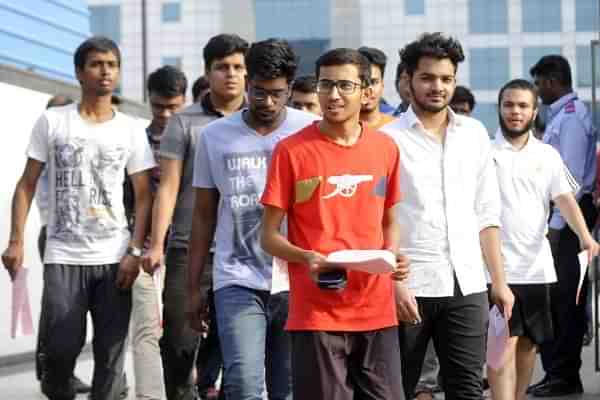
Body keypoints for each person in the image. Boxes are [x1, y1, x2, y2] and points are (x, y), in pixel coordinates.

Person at [1, 36, 155, 400]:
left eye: (112, 65)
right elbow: (25, 185)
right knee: (59, 348)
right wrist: (16, 240)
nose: (105, 71)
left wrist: (134, 250)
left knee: (111, 356)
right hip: (63, 255)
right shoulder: (53, 122)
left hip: (114, 257)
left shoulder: (131, 128)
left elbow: (145, 195)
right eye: (96, 64)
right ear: (79, 72)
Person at [261, 47, 409, 400]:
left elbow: (390, 221)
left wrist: (393, 256)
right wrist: (306, 257)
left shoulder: (386, 148)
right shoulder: (291, 151)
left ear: (366, 91)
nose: (333, 95)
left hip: (376, 309)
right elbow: (267, 237)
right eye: (326, 85)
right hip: (316, 313)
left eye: (345, 85)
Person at [380, 32, 514, 400]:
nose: (437, 87)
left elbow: (487, 213)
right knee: (398, 389)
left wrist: (498, 282)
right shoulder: (387, 140)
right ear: (408, 80)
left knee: (467, 389)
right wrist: (394, 283)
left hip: (468, 282)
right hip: (410, 285)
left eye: (446, 78)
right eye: (427, 78)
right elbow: (377, 219)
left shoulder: (473, 134)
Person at [186, 38, 315, 400]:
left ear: (290, 88)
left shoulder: (312, 131)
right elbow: (203, 216)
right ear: (247, 83)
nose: (268, 103)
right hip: (236, 277)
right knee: (243, 384)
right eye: (259, 92)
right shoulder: (215, 137)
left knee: (287, 389)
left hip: (297, 279)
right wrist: (194, 287)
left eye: (277, 93)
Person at [142, 33, 248, 400]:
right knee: (178, 343)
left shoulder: (260, 120)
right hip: (188, 249)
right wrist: (157, 245)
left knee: (237, 344)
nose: (230, 75)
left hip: (244, 251)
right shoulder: (184, 123)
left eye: (237, 67)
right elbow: (168, 186)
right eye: (222, 68)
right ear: (207, 71)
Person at [488, 78, 599, 400]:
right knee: (502, 343)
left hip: (537, 267)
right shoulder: (485, 152)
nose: (515, 111)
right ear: (499, 109)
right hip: (496, 269)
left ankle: (517, 396)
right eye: (508, 105)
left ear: (535, 111)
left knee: (529, 343)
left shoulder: (547, 154)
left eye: (523, 105)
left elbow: (565, 198)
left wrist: (585, 237)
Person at [528, 55, 598, 397]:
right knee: (556, 298)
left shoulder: (570, 120)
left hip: (569, 218)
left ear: (553, 81)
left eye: (540, 84)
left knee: (566, 299)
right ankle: (557, 371)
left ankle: (564, 375)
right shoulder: (561, 117)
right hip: (561, 217)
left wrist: (556, 228)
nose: (539, 92)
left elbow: (568, 183)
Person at [127, 65, 187, 400]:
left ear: (184, 102)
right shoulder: (136, 140)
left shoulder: (196, 137)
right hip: (145, 249)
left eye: (172, 107)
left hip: (185, 247)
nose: (164, 114)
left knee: (182, 331)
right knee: (147, 329)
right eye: (158, 106)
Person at [34, 95, 92, 396]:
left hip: (76, 237)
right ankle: (52, 374)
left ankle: (59, 373)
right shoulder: (47, 149)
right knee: (57, 311)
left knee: (69, 311)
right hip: (55, 235)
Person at [357, 46, 396, 129]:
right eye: (362, 82)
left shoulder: (399, 129)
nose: (368, 90)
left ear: (382, 85)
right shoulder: (339, 130)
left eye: (373, 82)